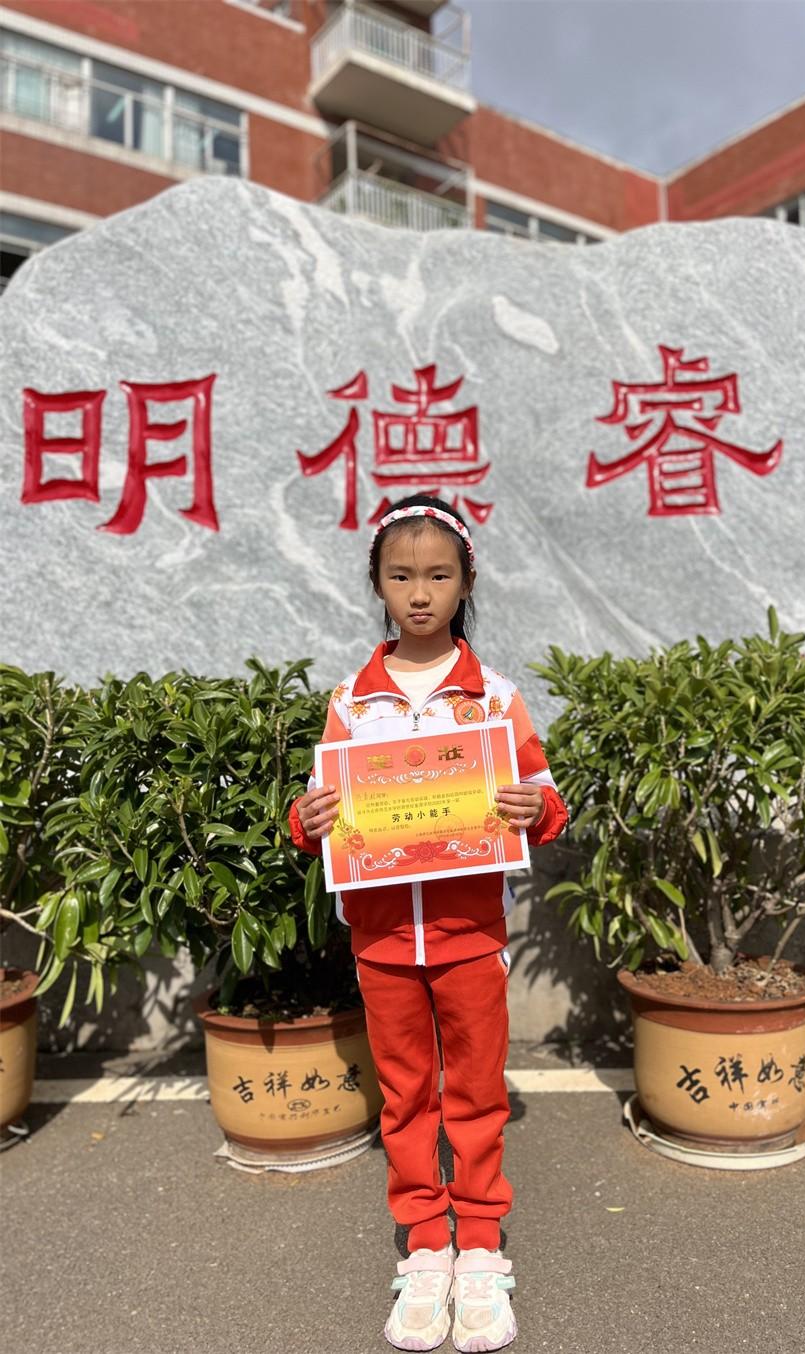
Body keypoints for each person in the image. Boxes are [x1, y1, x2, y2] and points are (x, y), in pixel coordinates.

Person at [289, 493, 568, 1353]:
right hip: (380, 940)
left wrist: (533, 809)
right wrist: (309, 818)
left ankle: (479, 1242)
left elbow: (545, 799)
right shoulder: (351, 702)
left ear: (466, 582)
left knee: (476, 1091)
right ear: (376, 583)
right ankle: (423, 1244)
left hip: (470, 935)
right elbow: (315, 813)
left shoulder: (495, 698)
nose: (420, 593)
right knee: (406, 1092)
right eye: (401, 575)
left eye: (438, 576)